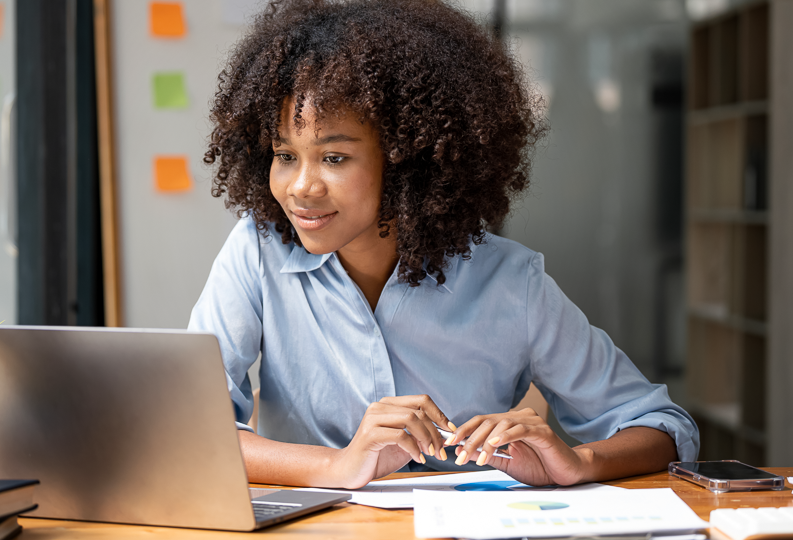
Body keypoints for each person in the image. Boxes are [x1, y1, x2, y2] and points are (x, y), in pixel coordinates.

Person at [188, 0, 698, 490]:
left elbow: (663, 427)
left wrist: (576, 462)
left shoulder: (509, 282)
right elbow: (192, 432)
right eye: (284, 155)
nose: (300, 187)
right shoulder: (257, 251)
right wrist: (338, 465)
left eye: (334, 158)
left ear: (409, 159)